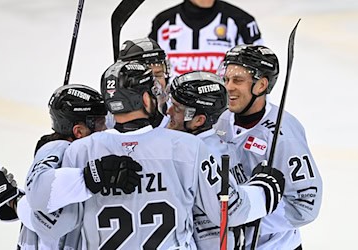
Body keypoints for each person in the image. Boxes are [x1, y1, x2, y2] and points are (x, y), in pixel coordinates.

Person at [27, 61, 285, 249]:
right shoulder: (187, 147)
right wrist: (265, 189)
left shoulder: (80, 151)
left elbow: (54, 224)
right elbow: (229, 210)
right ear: (147, 100)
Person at [214, 44, 323, 249]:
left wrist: (250, 219)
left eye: (238, 80)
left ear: (261, 85)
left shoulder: (284, 133)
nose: (228, 87)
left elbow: (306, 204)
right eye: (226, 80)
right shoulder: (220, 120)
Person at [166, 70, 285, 249]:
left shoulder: (200, 154)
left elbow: (231, 209)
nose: (168, 112)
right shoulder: (219, 145)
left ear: (198, 120)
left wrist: (265, 191)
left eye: (176, 108)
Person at [0, 84, 109, 249]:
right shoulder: (66, 155)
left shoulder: (62, 152)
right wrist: (14, 202)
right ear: (79, 131)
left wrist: (13, 201)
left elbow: (44, 210)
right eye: (100, 123)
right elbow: (54, 222)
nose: (106, 129)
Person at [149, 0, 263, 76]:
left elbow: (260, 73)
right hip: (173, 110)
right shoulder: (162, 22)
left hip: (226, 111)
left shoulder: (243, 22)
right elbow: (150, 72)